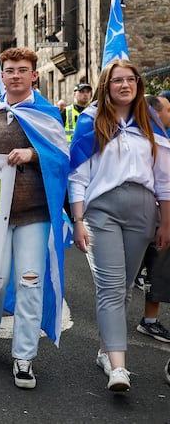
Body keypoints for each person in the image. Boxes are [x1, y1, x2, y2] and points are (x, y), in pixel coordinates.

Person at [0, 47, 69, 390]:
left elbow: (61, 155)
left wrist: (33, 152)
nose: (15, 75)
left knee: (29, 283)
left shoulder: (47, 113)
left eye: (22, 70)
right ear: (3, 76)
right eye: (9, 70)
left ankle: (24, 357)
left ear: (33, 75)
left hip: (33, 214)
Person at [68, 60, 170, 393]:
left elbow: (164, 179)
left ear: (139, 84)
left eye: (130, 79)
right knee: (112, 288)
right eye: (117, 80)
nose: (124, 85)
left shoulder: (151, 122)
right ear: (106, 85)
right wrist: (78, 219)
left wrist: (166, 222)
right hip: (102, 211)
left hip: (143, 211)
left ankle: (104, 351)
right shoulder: (91, 120)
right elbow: (78, 175)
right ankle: (119, 366)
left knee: (124, 287)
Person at [132, 94, 170, 344]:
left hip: (157, 214)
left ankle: (150, 321)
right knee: (144, 268)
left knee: (159, 268)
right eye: (168, 109)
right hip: (145, 212)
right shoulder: (144, 141)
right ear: (156, 113)